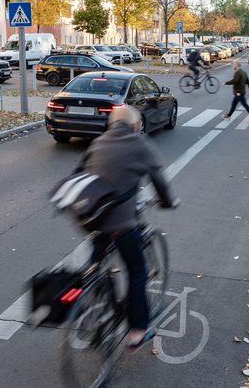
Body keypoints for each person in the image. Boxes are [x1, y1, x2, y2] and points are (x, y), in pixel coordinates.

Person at [76, 105, 178, 350]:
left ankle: (91, 276)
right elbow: (158, 178)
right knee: (137, 271)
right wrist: (167, 201)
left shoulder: (97, 142)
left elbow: (78, 173)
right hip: (121, 223)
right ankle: (138, 331)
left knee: (98, 251)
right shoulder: (139, 143)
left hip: (92, 219)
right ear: (135, 125)